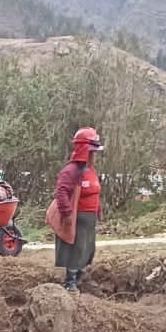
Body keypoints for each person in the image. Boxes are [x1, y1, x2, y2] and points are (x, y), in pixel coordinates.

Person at [53, 126, 102, 294]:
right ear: (83, 149)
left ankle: (80, 276)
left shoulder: (91, 170)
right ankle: (70, 282)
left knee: (88, 248)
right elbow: (61, 192)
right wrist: (67, 213)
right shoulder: (71, 170)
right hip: (77, 218)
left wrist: (98, 210)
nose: (93, 155)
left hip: (89, 218)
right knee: (76, 249)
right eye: (91, 151)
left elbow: (95, 191)